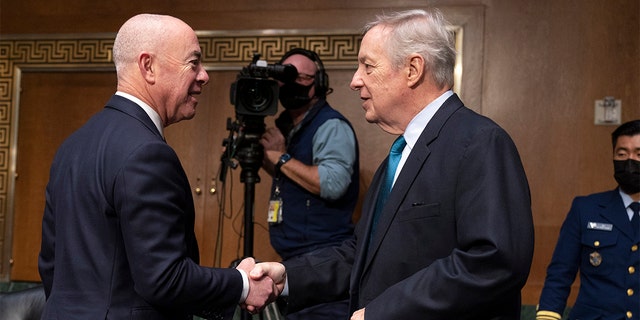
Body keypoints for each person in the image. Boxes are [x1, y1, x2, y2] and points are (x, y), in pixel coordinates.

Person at [255, 8, 535, 320]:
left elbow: (493, 262)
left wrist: (380, 313)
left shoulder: (480, 142)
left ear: (413, 69)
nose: (354, 81)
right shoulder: (401, 153)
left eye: (368, 67)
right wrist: (288, 275)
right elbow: (361, 255)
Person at [37, 13, 285, 320]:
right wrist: (243, 285)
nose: (204, 75)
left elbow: (51, 264)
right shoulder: (146, 152)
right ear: (148, 66)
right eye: (193, 62)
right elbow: (165, 279)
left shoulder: (71, 146)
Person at [259, 48, 359, 319]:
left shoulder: (331, 126)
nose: (294, 84)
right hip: (295, 259)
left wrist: (281, 157)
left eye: (302, 77)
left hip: (325, 261)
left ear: (319, 84)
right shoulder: (287, 126)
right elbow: (293, 179)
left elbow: (333, 184)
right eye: (287, 77)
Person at [536, 119, 640, 320]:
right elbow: (560, 274)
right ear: (612, 157)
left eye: (638, 154)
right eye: (622, 153)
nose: (629, 161)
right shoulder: (585, 209)